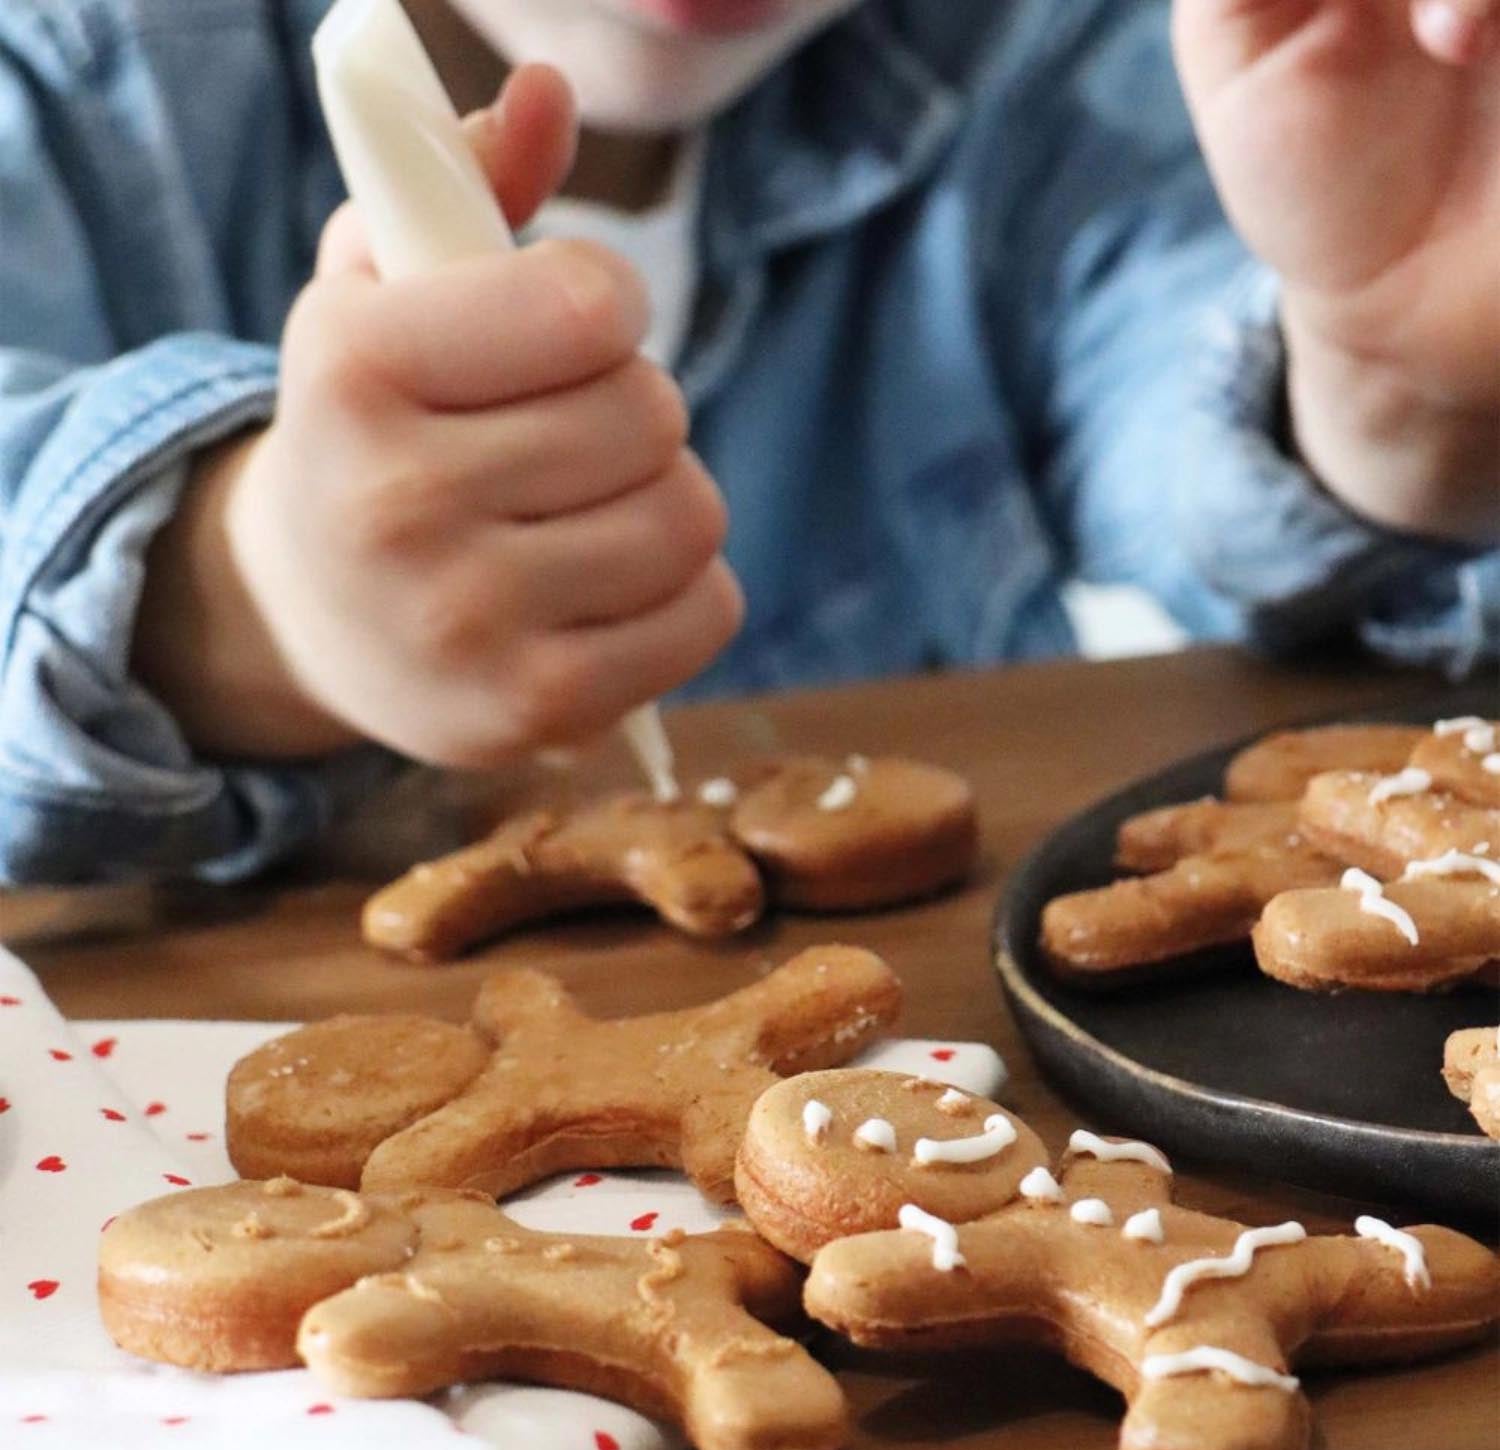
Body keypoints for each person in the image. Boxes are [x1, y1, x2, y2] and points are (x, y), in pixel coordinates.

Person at [0, 0, 1495, 885]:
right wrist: (244, 598)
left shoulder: (1042, 59)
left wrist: (1388, 384)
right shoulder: (71, 79)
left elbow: (1188, 436)